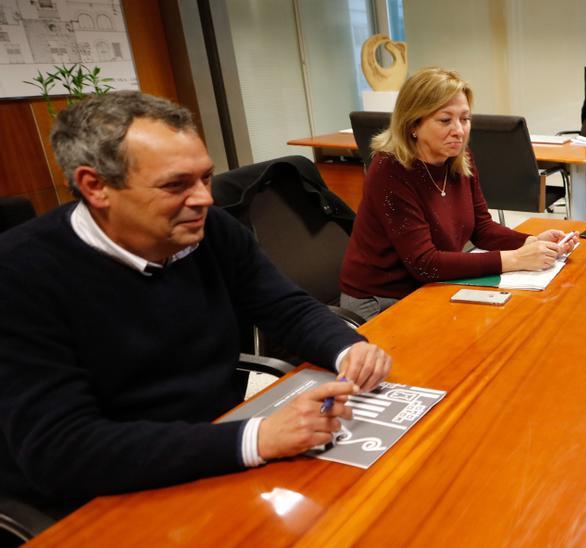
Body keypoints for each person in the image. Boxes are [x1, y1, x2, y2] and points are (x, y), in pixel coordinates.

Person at [0, 92, 393, 517]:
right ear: (96, 187)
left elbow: (285, 307)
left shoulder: (208, 229)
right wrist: (257, 439)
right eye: (176, 184)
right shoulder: (19, 273)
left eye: (205, 178)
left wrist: (347, 348)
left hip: (214, 450)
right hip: (102, 496)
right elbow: (62, 451)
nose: (204, 198)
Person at [340, 66, 576, 320]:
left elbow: (481, 228)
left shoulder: (459, 157)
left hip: (429, 287)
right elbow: (425, 264)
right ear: (413, 125)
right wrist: (516, 259)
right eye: (445, 120)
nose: (459, 130)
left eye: (465, 119)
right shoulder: (390, 169)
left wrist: (532, 242)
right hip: (382, 300)